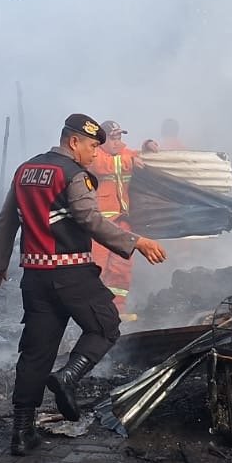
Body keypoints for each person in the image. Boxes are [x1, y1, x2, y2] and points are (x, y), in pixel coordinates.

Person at [0, 114, 168, 456]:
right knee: (106, 325)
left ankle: (22, 433)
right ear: (73, 142)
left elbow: (9, 217)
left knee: (35, 353)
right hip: (71, 273)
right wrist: (137, 242)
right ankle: (68, 376)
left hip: (35, 278)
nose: (93, 153)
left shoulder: (25, 170)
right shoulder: (73, 175)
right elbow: (90, 220)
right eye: (91, 146)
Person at [89, 120, 139, 319]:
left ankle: (117, 312)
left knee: (121, 268)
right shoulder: (94, 155)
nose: (118, 142)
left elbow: (138, 155)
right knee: (97, 268)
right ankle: (93, 311)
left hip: (122, 221)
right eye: (113, 137)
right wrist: (132, 161)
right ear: (101, 140)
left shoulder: (124, 154)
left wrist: (147, 145)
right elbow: (104, 166)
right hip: (99, 224)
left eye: (120, 137)